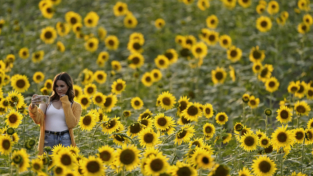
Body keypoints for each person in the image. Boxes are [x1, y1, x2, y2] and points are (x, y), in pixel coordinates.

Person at [28, 72, 82, 155]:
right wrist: (33, 106)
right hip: (48, 138)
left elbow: (71, 124)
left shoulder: (76, 106)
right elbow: (38, 120)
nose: (59, 89)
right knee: (47, 165)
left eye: (62, 86)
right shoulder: (46, 101)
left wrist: (65, 101)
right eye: (56, 86)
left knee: (65, 166)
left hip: (65, 138)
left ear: (68, 86)